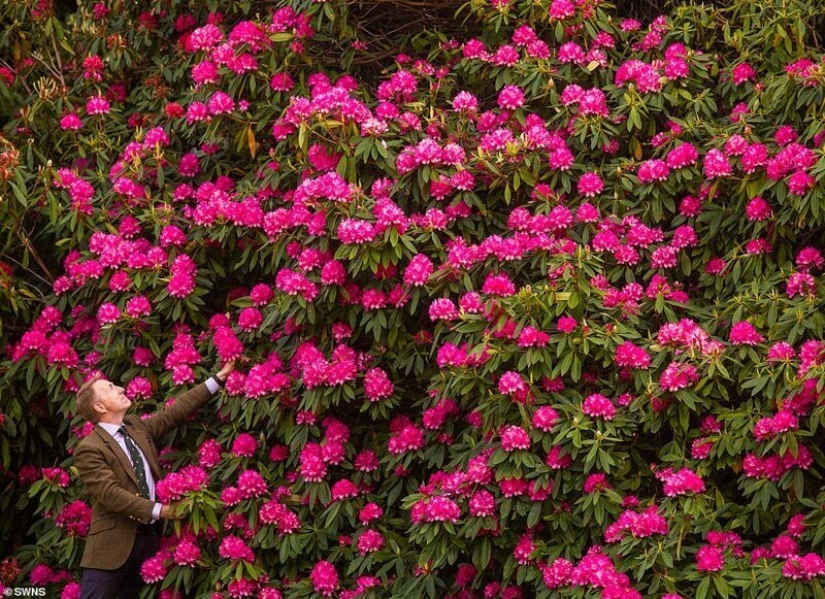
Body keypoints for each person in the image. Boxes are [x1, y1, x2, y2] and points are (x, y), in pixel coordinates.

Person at [73, 361, 235, 599]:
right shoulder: (90, 448)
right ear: (99, 405)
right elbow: (110, 494)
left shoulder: (136, 427)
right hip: (112, 547)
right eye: (110, 388)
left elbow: (175, 412)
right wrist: (161, 510)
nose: (119, 388)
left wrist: (219, 378)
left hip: (149, 542)